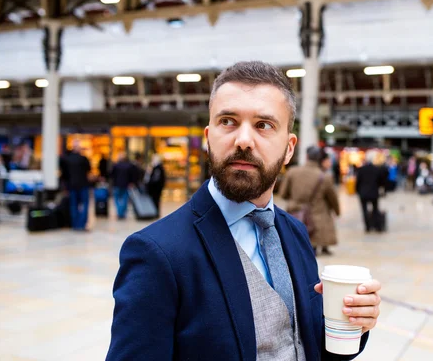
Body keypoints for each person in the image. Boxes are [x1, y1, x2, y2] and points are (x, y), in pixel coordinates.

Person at [106, 61, 381, 361]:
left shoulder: (295, 233)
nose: (244, 140)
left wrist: (352, 323)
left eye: (264, 125)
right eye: (228, 121)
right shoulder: (157, 254)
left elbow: (304, 345)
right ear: (209, 138)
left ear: (289, 148)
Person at [280, 147, 340, 256]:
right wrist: (337, 210)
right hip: (317, 214)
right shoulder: (325, 177)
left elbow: (283, 194)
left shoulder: (292, 172)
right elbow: (332, 198)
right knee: (316, 233)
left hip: (295, 212)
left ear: (307, 156)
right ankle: (321, 247)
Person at [60, 141, 91, 231]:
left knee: (74, 205)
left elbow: (64, 174)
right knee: (84, 204)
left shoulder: (67, 159)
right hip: (83, 184)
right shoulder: (84, 158)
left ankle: (75, 225)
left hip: (72, 185)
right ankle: (82, 224)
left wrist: (65, 186)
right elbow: (88, 170)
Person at [356, 151, 384, 232]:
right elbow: (380, 182)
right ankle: (377, 226)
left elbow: (358, 181)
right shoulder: (376, 169)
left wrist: (358, 191)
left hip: (363, 192)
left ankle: (367, 227)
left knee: (364, 210)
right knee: (375, 210)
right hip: (374, 192)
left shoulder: (362, 169)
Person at [110, 152, 137, 220]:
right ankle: (122, 213)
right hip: (126, 185)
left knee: (117, 200)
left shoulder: (115, 165)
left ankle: (119, 213)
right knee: (125, 200)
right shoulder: (129, 166)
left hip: (117, 185)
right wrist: (132, 182)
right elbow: (133, 175)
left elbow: (111, 175)